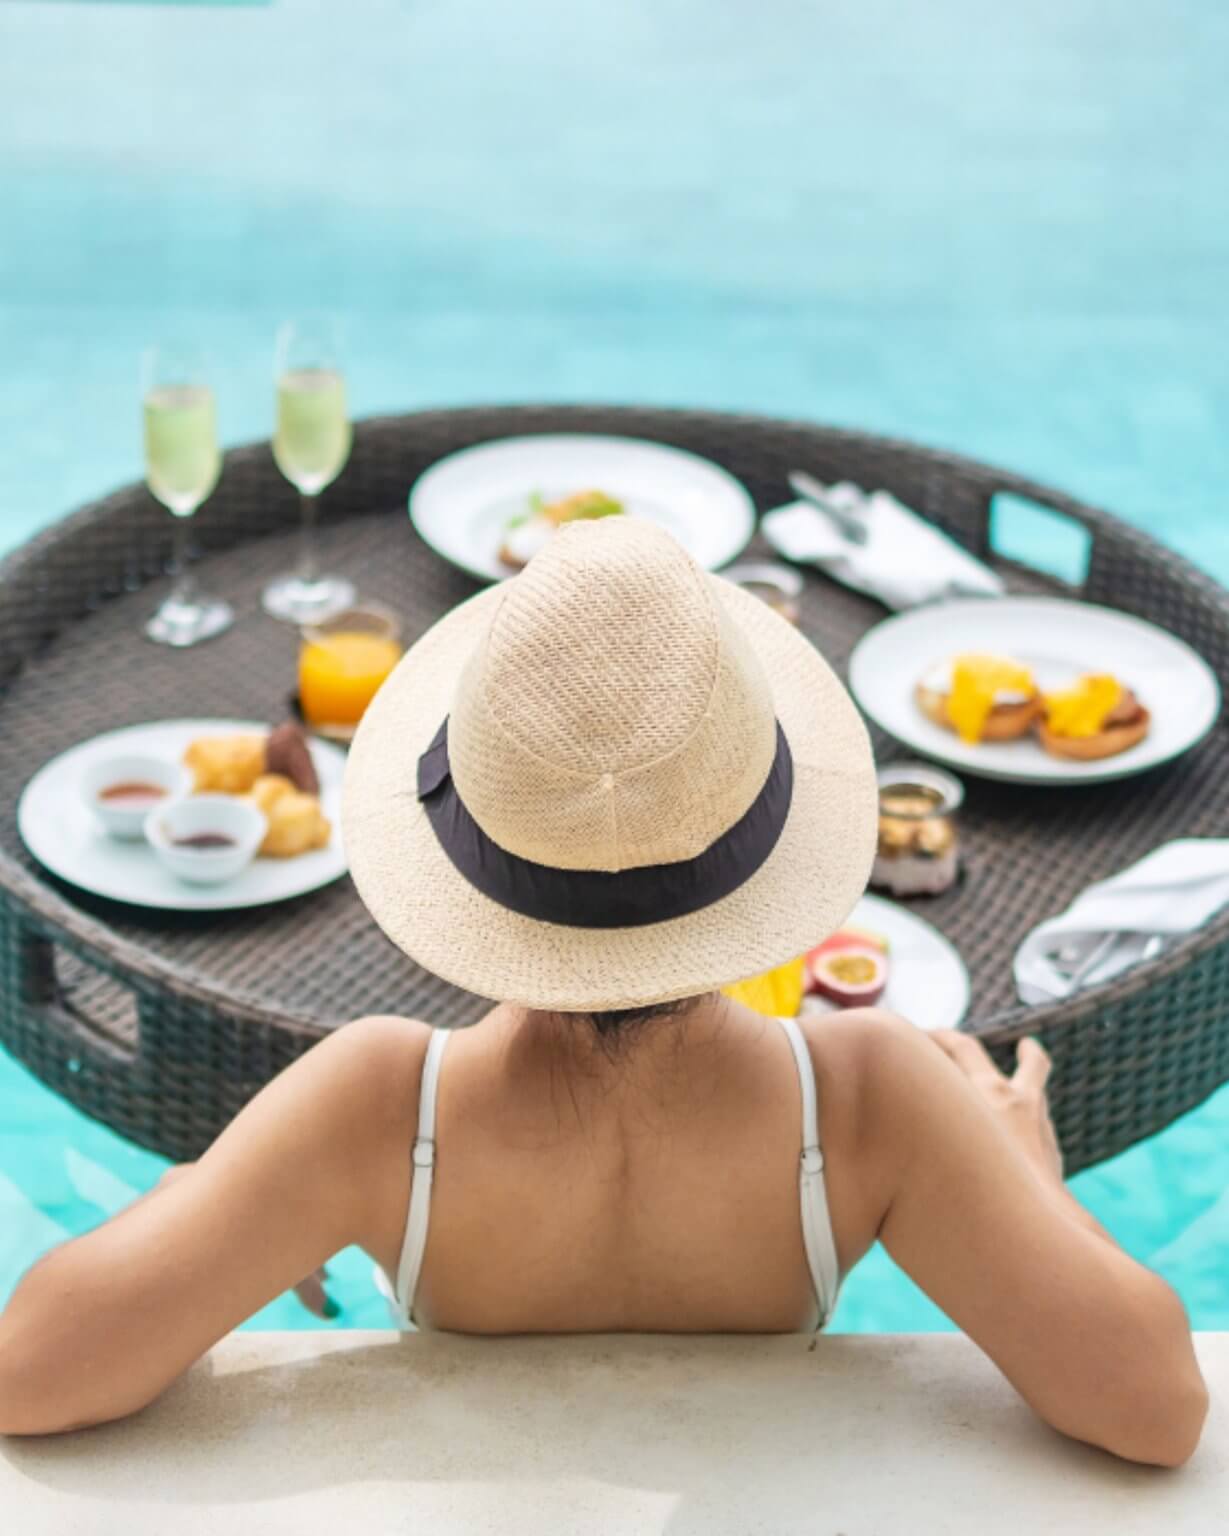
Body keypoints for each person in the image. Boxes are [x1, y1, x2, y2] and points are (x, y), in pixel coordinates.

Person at [0, 519, 1207, 1462]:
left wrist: (223, 1194)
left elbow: (30, 1374)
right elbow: (1152, 1410)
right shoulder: (869, 1096)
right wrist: (1032, 1185)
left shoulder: (374, 1104)